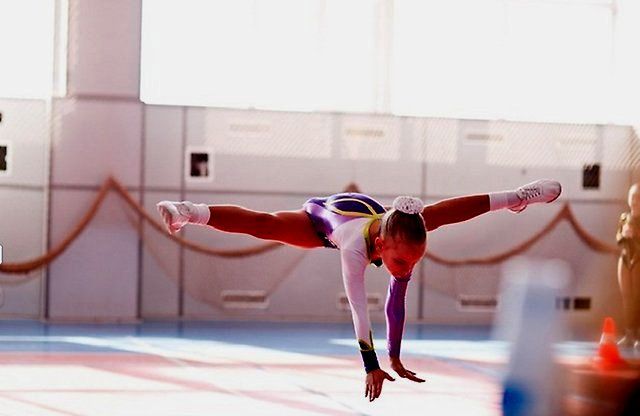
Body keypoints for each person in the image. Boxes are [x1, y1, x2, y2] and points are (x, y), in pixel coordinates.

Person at [157, 179, 562, 401]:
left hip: (378, 216)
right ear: (381, 248)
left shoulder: (403, 238)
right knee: (267, 224)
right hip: (325, 219)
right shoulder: (353, 250)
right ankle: (189, 212)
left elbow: (396, 303)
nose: (407, 269)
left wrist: (395, 356)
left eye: (415, 260)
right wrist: (372, 364)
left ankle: (517, 196)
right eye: (402, 262)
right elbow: (359, 310)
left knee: (439, 214)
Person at [617, 183, 640, 349]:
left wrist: (636, 234)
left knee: (638, 297)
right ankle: (629, 334)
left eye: (638, 198)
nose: (635, 201)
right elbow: (618, 238)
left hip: (638, 260)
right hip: (625, 260)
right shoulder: (624, 217)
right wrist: (623, 234)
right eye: (633, 197)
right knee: (627, 298)